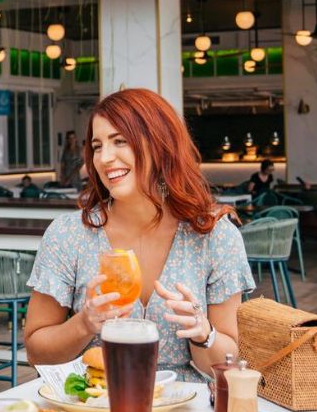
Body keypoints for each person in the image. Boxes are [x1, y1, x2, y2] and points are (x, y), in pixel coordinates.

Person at [22, 89, 254, 380]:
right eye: (97, 146)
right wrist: (84, 323)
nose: (105, 158)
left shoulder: (214, 236)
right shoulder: (69, 236)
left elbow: (226, 366)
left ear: (161, 144)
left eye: (120, 141)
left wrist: (202, 333)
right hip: (97, 411)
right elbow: (36, 353)